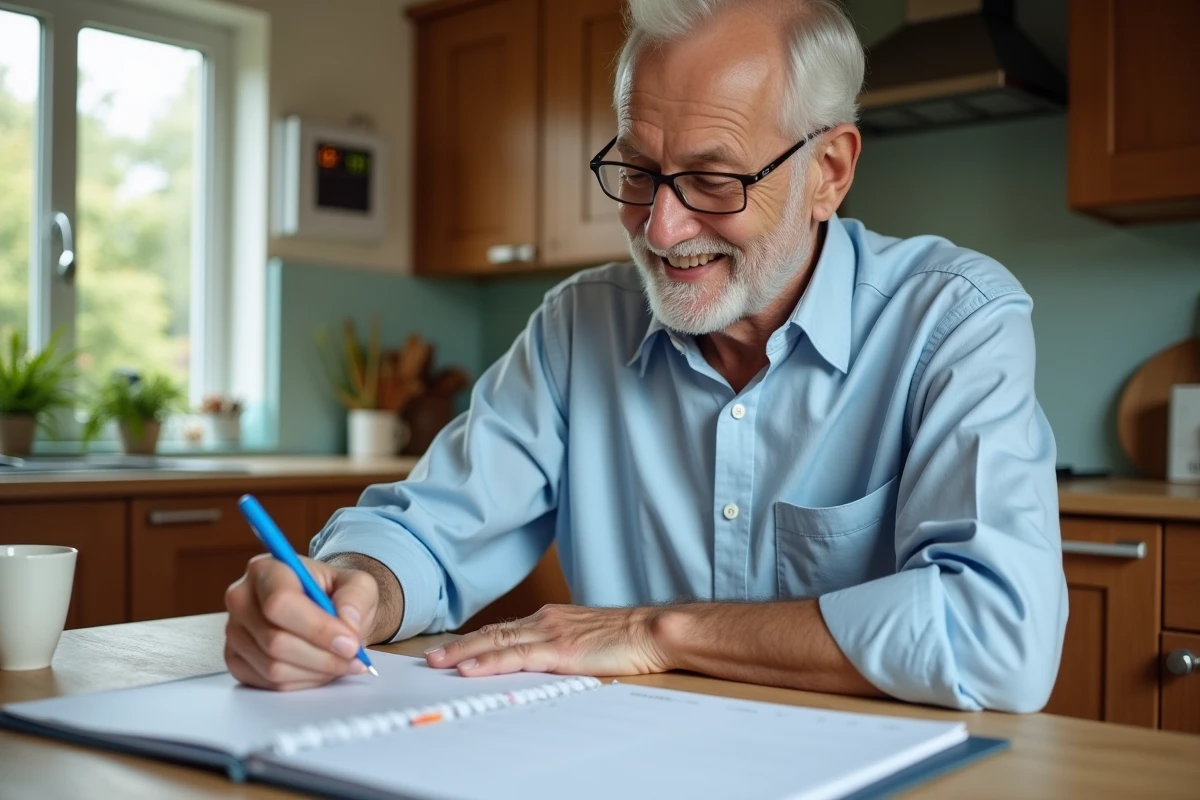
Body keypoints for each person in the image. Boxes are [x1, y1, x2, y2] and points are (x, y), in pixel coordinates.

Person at [225, 0, 1067, 712]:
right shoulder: (578, 325)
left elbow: (1000, 634)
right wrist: (353, 588)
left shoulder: (954, 319)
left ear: (829, 171)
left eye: (713, 180)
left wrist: (653, 631)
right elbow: (435, 530)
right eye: (637, 172)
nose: (661, 230)